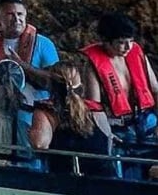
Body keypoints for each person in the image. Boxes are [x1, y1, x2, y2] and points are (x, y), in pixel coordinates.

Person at [80, 12, 158, 159]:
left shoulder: (136, 54)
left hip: (147, 119)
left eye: (131, 41)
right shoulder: (92, 66)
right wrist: (107, 134)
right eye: (121, 42)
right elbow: (95, 108)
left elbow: (155, 90)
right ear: (106, 41)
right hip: (119, 127)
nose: (128, 47)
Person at [30, 59, 115, 177]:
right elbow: (108, 142)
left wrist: (31, 131)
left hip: (66, 181)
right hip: (106, 180)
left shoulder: (46, 112)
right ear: (80, 86)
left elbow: (39, 144)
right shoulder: (96, 110)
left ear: (50, 86)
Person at [0, 0, 58, 107]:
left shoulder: (43, 44)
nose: (16, 19)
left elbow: (57, 83)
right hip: (1, 110)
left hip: (35, 112)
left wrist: (22, 66)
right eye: (10, 14)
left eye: (20, 14)